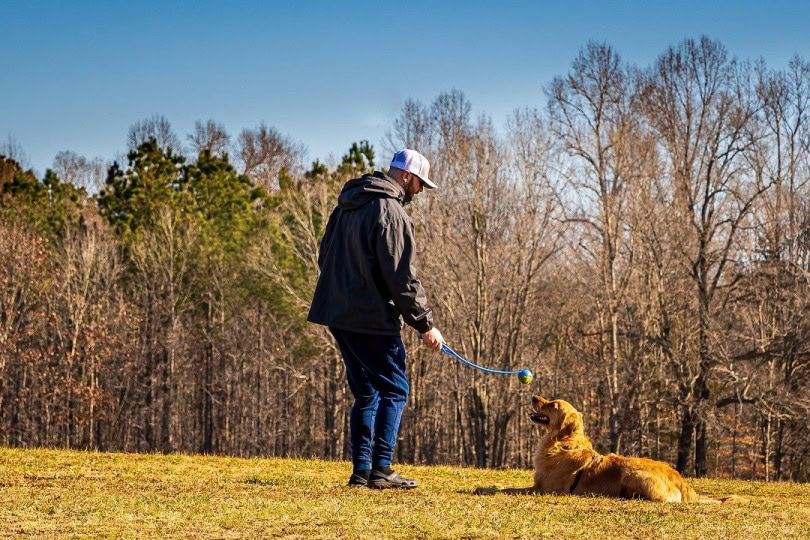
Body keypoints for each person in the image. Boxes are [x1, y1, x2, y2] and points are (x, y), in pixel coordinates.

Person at [307, 149, 444, 489]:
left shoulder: (346, 205)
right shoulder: (391, 212)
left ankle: (361, 472)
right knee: (395, 388)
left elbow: (324, 256)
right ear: (407, 177)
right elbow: (402, 278)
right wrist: (425, 325)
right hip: (370, 318)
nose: (422, 192)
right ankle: (381, 468)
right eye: (421, 184)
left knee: (366, 393)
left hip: (338, 314)